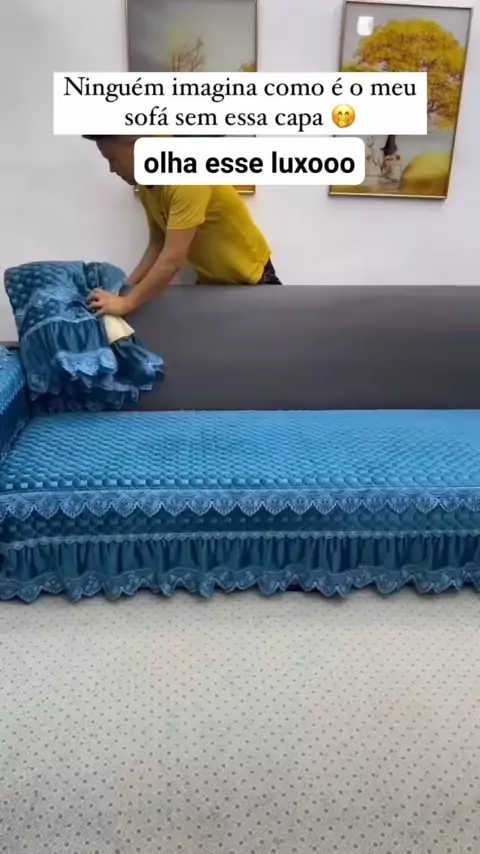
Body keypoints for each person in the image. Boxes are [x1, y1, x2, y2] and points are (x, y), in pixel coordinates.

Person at [82, 135, 282, 317]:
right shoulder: (147, 187)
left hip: (252, 279)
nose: (112, 169)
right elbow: (158, 244)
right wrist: (125, 289)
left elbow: (174, 258)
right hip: (211, 282)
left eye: (112, 159)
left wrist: (127, 303)